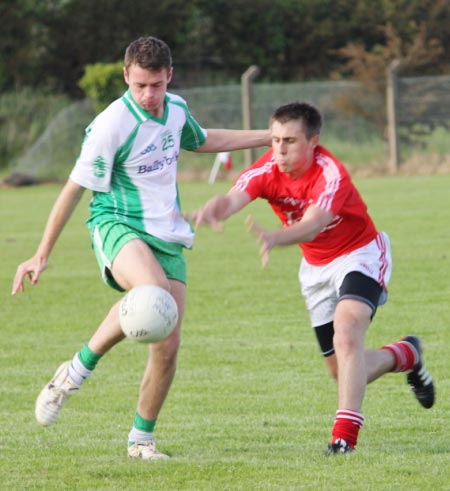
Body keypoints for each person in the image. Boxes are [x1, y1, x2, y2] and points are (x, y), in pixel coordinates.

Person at [11, 36, 270, 461]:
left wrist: (267, 136)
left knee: (167, 343)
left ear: (169, 76)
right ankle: (74, 376)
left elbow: (201, 140)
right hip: (116, 222)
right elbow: (73, 190)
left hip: (166, 233)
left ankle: (140, 440)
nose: (149, 95)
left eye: (157, 85)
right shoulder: (112, 125)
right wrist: (41, 253)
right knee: (152, 294)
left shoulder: (177, 109)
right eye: (140, 86)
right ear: (126, 76)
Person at [190, 102, 435, 454]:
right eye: (274, 140)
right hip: (316, 270)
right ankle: (406, 354)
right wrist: (216, 208)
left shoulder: (330, 173)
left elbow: (313, 224)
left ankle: (344, 439)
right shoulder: (266, 169)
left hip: (359, 254)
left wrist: (276, 237)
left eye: (289, 140)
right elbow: (233, 199)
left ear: (313, 142)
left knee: (347, 331)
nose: (279, 149)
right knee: (344, 371)